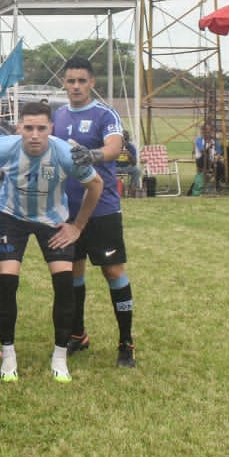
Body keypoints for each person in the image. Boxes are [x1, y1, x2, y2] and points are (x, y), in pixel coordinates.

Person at [0, 102, 101, 382]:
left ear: (51, 128)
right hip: (12, 217)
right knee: (8, 282)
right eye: (28, 128)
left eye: (41, 128)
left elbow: (96, 184)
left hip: (52, 220)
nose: (35, 135)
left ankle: (60, 356)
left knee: (64, 284)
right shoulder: (7, 147)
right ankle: (9, 354)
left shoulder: (66, 153)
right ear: (19, 128)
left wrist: (77, 227)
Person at [51, 57, 138, 370]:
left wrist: (93, 154)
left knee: (113, 272)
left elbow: (115, 147)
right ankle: (78, 334)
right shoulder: (58, 115)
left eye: (81, 81)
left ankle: (126, 342)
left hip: (102, 210)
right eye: (71, 81)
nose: (76, 86)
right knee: (73, 273)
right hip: (67, 211)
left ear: (92, 83)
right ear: (64, 83)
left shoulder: (105, 113)